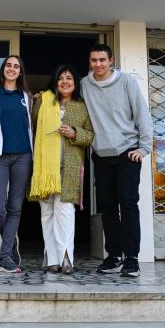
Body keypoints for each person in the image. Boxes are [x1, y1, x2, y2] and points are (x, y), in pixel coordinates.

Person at [81, 44, 153, 278]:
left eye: (103, 60)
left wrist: (143, 147)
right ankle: (114, 256)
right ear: (90, 62)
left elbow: (142, 113)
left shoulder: (126, 82)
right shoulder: (84, 84)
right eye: (94, 60)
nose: (98, 64)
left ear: (111, 60)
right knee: (107, 208)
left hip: (127, 153)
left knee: (128, 204)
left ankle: (132, 259)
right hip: (101, 154)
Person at [29, 64, 94, 274]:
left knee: (65, 212)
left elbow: (90, 135)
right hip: (45, 168)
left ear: (75, 84)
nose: (65, 82)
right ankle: (51, 258)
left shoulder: (82, 106)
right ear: (55, 82)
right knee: (46, 212)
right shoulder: (44, 101)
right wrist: (34, 99)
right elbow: (31, 123)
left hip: (70, 166)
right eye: (60, 78)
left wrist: (75, 133)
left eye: (69, 78)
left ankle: (66, 257)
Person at [0, 55, 34, 273]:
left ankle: (4, 256)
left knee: (15, 208)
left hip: (23, 156)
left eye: (16, 66)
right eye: (8, 65)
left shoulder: (28, 97)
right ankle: (11, 245)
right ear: (3, 69)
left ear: (20, 72)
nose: (12, 69)